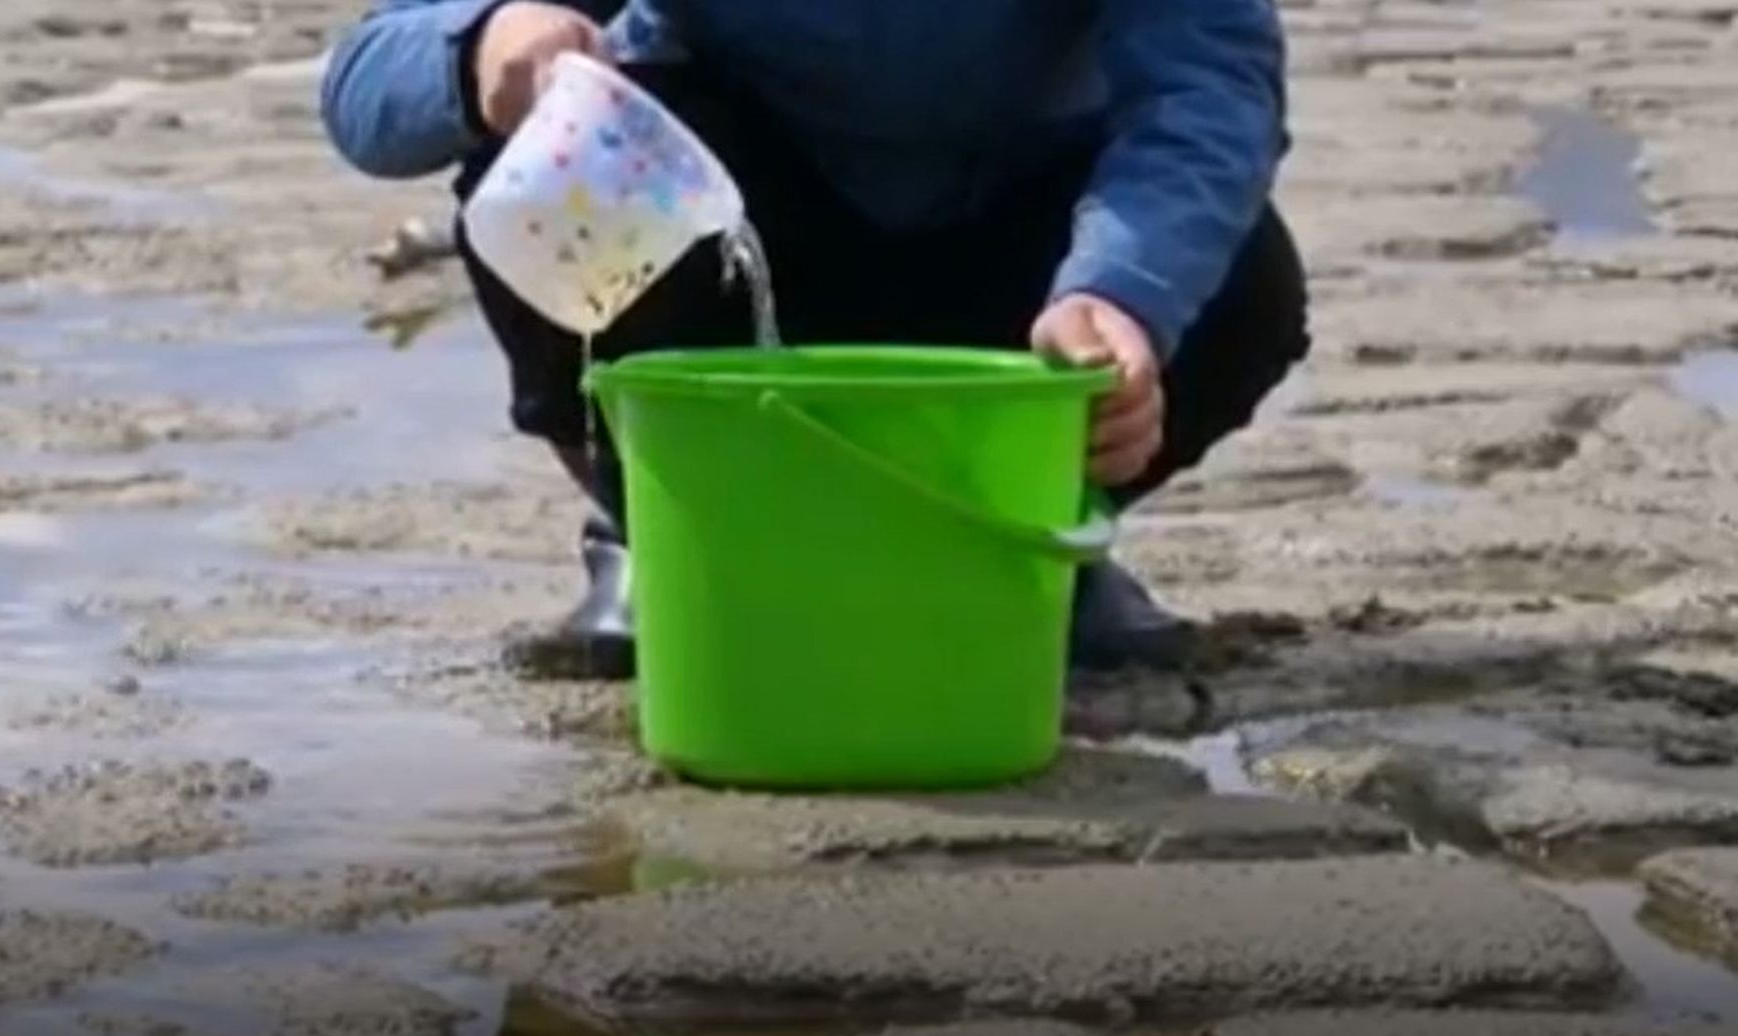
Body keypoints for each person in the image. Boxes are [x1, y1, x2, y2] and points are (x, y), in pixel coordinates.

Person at [322, 0, 1310, 678]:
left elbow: (1209, 93)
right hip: (743, 239)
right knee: (549, 162)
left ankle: (1033, 542)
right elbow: (367, 85)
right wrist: (486, 45)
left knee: (1238, 279)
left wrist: (1122, 296)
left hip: (1019, 259)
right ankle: (665, 528)